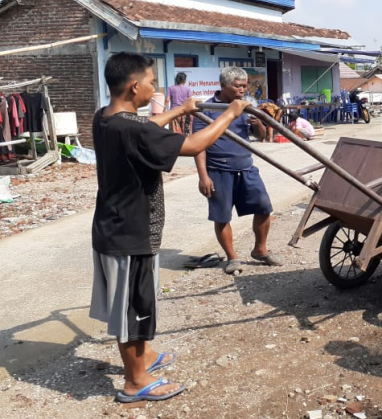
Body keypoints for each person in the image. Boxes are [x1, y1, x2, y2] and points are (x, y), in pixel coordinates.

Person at [90, 52, 249, 403]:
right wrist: (229, 113)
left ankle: (142, 357)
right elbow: (194, 145)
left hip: (115, 227)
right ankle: (135, 382)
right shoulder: (134, 129)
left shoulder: (105, 118)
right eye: (150, 82)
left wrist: (181, 110)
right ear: (134, 87)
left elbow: (147, 128)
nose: (154, 88)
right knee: (132, 309)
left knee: (139, 301)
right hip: (129, 234)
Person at [192, 67, 283, 275]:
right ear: (223, 85)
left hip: (246, 167)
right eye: (237, 86)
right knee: (222, 216)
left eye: (244, 85)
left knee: (263, 207)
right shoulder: (206, 109)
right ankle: (232, 258)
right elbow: (198, 146)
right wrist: (203, 176)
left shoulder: (246, 106)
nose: (242, 90)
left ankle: (260, 250)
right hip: (218, 169)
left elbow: (260, 137)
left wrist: (258, 123)